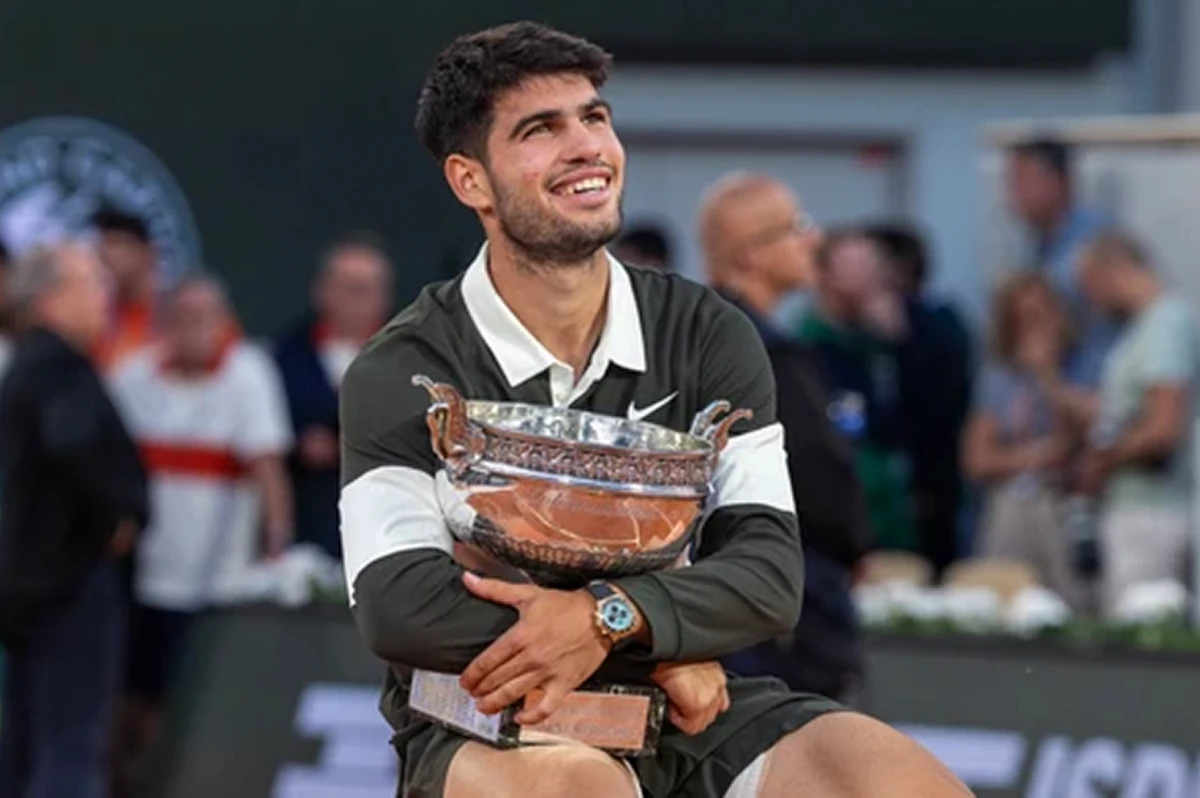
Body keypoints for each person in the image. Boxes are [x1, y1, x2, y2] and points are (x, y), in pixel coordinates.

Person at [339, 21, 970, 798]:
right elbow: (399, 607)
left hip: (686, 714)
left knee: (896, 781)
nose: (586, 146)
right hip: (488, 713)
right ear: (472, 182)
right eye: (541, 129)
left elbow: (770, 576)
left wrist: (609, 618)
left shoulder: (711, 334)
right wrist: (653, 642)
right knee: (583, 790)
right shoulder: (407, 364)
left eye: (594, 116)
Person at [107, 274, 294, 796]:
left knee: (186, 700)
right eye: (182, 318)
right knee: (129, 698)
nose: (193, 329)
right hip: (140, 576)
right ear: (165, 324)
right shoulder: (131, 376)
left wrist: (274, 548)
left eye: (204, 317)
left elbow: (268, 470)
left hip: (216, 584)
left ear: (223, 321)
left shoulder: (249, 374)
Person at [698, 172, 872, 703]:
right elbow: (812, 474)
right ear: (750, 255)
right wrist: (854, 543)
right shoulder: (754, 353)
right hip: (780, 610)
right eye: (796, 227)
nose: (814, 240)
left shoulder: (709, 338)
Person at [0, 242, 149, 798]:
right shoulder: (58, 365)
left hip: (33, 582)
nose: (103, 297)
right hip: (69, 585)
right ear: (49, 298)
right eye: (90, 284)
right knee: (69, 747)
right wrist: (120, 510)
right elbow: (75, 443)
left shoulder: (32, 362)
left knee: (28, 744)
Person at [1041, 231, 1200, 615]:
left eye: (1088, 287)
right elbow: (1120, 413)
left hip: (1152, 515)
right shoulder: (1145, 329)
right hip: (1136, 511)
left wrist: (1100, 462)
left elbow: (1164, 427)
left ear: (1112, 271)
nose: (1090, 303)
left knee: (1140, 633)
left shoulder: (1167, 324)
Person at [961, 273, 1090, 611]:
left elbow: (1080, 436)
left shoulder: (1084, 368)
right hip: (1011, 503)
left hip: (1063, 505)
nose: (1035, 331)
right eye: (1023, 321)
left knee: (1071, 601)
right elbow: (978, 460)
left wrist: (1047, 375)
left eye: (1041, 317)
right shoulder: (999, 379)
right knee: (1003, 597)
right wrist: (1041, 454)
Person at [796, 230, 916, 553]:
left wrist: (900, 343)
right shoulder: (807, 345)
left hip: (895, 503)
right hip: (840, 509)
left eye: (873, 265)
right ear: (824, 274)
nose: (870, 277)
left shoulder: (890, 337)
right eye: (854, 265)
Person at [275, 232, 393, 559]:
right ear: (323, 290)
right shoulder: (287, 355)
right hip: (308, 515)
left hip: (383, 522)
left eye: (367, 289)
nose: (357, 299)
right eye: (347, 287)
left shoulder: (409, 358)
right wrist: (298, 440)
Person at [869, 224, 973, 576]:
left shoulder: (940, 326)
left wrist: (901, 339)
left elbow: (941, 404)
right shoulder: (846, 330)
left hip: (932, 479)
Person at [1006, 138, 1116, 388]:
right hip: (1059, 391)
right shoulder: (1035, 246)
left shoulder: (1095, 238)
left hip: (1097, 389)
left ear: (1059, 182)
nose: (1014, 195)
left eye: (1023, 182)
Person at [91, 209, 161, 371]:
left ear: (147, 253)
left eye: (118, 243)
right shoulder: (94, 321)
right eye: (105, 244)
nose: (108, 254)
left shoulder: (174, 315)